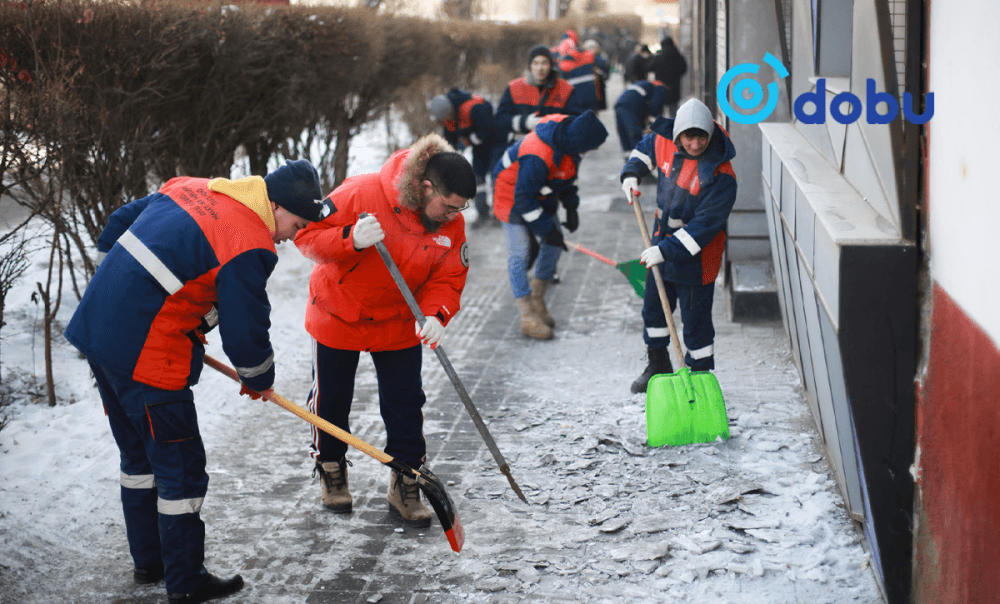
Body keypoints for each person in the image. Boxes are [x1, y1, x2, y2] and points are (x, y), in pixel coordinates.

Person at [64, 160, 329, 603]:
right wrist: (258, 377)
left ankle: (150, 562)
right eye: (295, 224)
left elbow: (117, 224)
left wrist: (122, 284)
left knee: (139, 459)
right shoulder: (250, 242)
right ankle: (186, 581)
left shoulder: (190, 187)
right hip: (146, 354)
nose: (290, 236)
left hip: (97, 329)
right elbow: (246, 328)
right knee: (180, 470)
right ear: (274, 205)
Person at [294, 134, 476, 528]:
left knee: (406, 402)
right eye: (447, 206)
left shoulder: (452, 223)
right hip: (338, 312)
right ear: (426, 186)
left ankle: (405, 479)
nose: (452, 217)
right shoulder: (362, 192)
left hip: (397, 319)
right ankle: (331, 466)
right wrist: (350, 239)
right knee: (331, 400)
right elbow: (306, 238)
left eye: (459, 210)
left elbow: (449, 276)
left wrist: (436, 315)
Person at [620, 99, 737, 393]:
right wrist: (631, 173)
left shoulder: (721, 175)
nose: (695, 144)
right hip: (660, 243)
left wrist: (664, 251)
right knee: (655, 309)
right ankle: (658, 365)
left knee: (696, 321)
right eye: (688, 137)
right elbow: (644, 150)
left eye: (701, 137)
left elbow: (703, 227)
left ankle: (699, 379)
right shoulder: (665, 141)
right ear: (678, 135)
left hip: (698, 258)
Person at [492, 110, 608, 340]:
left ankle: (538, 299)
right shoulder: (538, 155)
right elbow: (524, 200)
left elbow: (566, 177)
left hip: (537, 192)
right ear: (581, 143)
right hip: (511, 194)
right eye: (591, 147)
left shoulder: (570, 142)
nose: (591, 152)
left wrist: (571, 206)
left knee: (554, 244)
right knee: (520, 254)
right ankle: (526, 314)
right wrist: (547, 229)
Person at [429, 88, 503, 229]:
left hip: (496, 142)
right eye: (443, 120)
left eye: (447, 117)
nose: (446, 121)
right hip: (479, 146)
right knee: (477, 178)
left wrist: (467, 142)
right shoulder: (446, 117)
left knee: (496, 176)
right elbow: (450, 140)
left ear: (451, 110)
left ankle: (499, 215)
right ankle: (483, 214)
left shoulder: (474, 108)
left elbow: (488, 129)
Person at [494, 45, 585, 148]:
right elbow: (500, 119)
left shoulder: (566, 89)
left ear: (551, 65)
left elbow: (577, 121)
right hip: (519, 150)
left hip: (554, 151)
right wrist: (525, 122)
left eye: (544, 63)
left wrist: (553, 126)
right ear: (530, 66)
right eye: (535, 63)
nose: (540, 68)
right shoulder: (514, 87)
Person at [615, 78, 668, 156]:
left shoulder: (641, 84)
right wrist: (653, 123)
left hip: (619, 105)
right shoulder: (660, 88)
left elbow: (643, 106)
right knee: (634, 134)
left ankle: (629, 160)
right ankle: (638, 160)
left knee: (625, 135)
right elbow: (656, 105)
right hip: (631, 107)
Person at [552, 30, 602, 112]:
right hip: (591, 96)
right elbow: (605, 65)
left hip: (573, 99)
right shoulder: (588, 55)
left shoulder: (561, 63)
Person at [649, 35, 688, 117]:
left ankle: (662, 128)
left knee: (660, 112)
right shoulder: (678, 56)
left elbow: (649, 67)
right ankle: (674, 128)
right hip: (674, 87)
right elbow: (684, 69)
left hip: (660, 87)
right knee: (673, 112)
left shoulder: (658, 57)